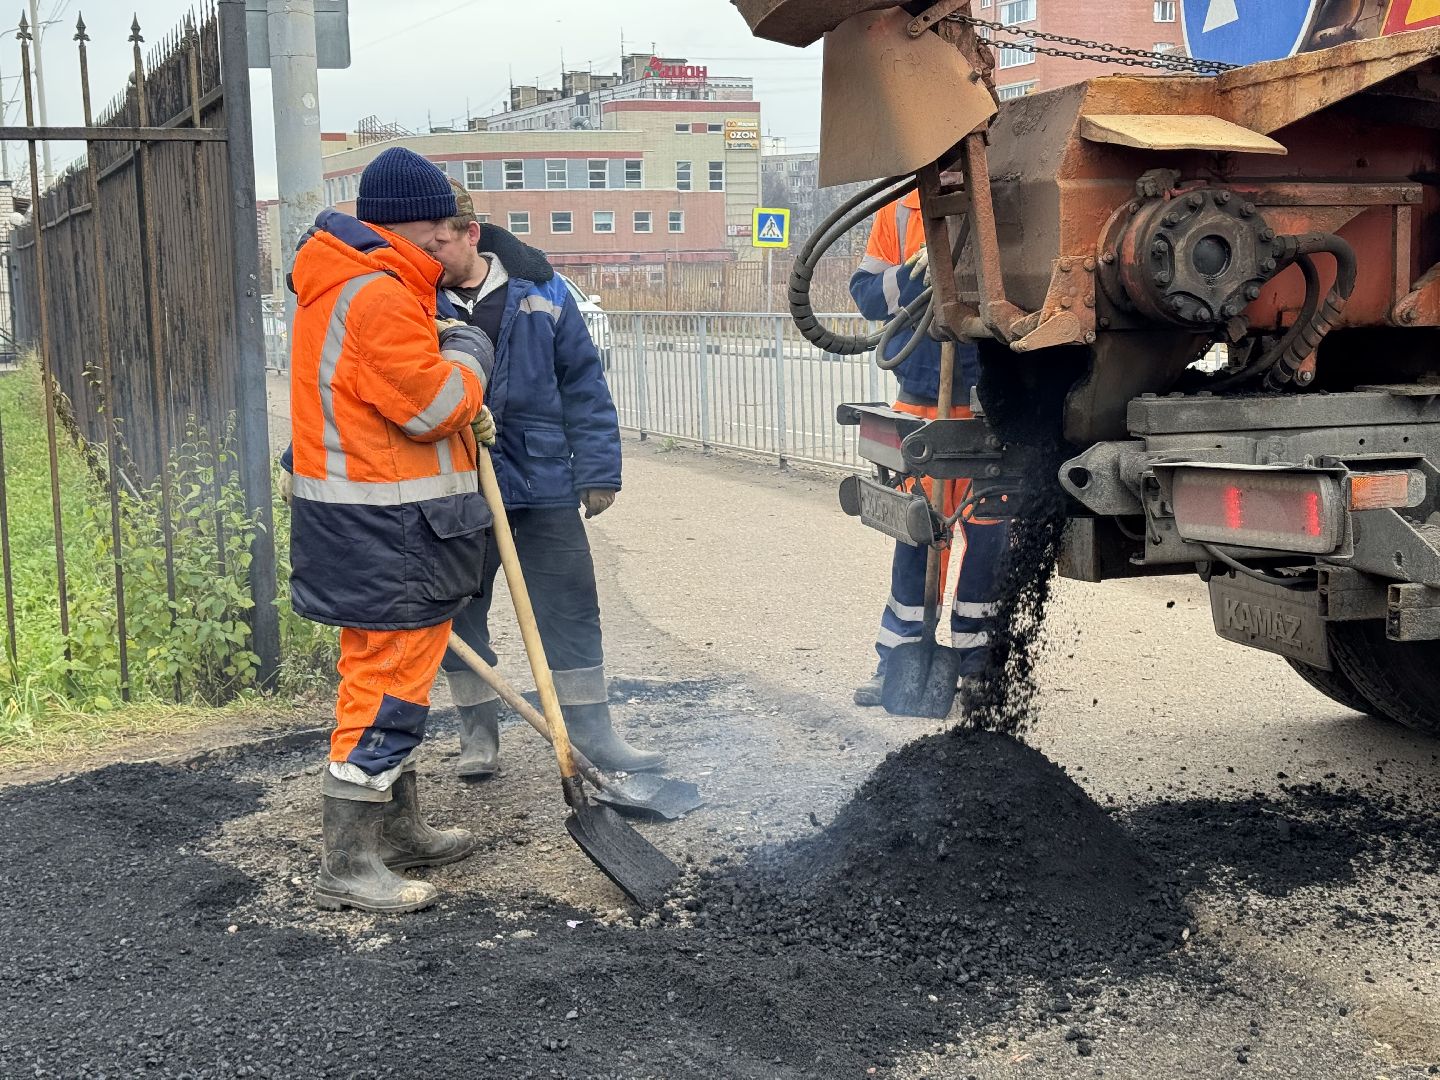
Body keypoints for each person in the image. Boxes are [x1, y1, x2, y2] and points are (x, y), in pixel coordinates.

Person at [285, 146, 499, 913]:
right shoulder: (373, 296)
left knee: (392, 679)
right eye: (443, 230)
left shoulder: (352, 284)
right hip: (388, 530)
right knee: (385, 687)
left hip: (380, 525)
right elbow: (432, 407)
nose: (449, 246)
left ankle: (396, 831)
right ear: (421, 227)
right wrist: (471, 350)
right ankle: (347, 863)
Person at [428, 179, 664, 778]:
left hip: (541, 481)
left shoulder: (542, 290)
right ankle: (479, 738)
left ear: (471, 234)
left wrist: (598, 470)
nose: (427, 258)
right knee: (460, 612)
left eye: (438, 246)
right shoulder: (415, 299)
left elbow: (583, 382)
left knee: (570, 606)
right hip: (454, 488)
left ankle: (593, 733)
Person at [849, 190, 1010, 708]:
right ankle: (896, 659)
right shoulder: (901, 209)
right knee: (918, 535)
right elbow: (868, 295)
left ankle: (978, 667)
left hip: (991, 405)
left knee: (988, 541)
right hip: (922, 400)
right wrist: (922, 277)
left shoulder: (1002, 194)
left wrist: (969, 271)